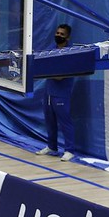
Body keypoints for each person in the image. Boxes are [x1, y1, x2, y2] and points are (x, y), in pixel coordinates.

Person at [36, 23, 75, 162]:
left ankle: (69, 150)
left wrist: (46, 70)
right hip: (49, 92)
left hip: (61, 93)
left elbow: (60, 76)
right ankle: (52, 146)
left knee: (65, 122)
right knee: (49, 120)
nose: (58, 35)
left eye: (62, 34)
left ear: (68, 37)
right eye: (57, 33)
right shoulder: (51, 50)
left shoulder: (71, 53)